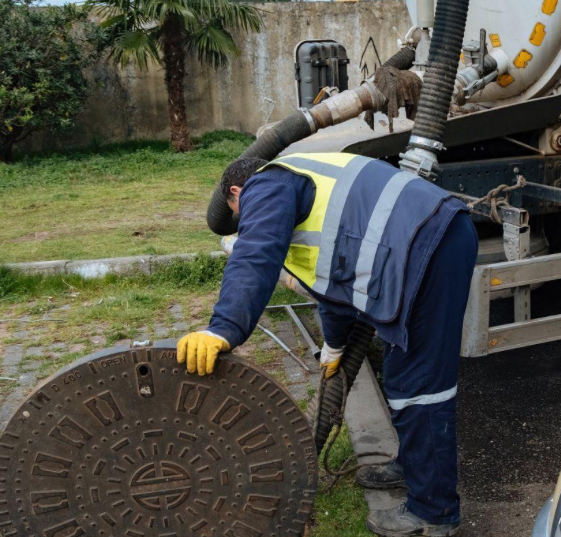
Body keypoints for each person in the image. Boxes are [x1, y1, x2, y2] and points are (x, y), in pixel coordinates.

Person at [176, 152, 477, 537]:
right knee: (405, 377)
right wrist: (333, 348)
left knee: (418, 387)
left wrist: (222, 328)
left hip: (430, 245)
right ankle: (417, 467)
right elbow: (335, 289)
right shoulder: (302, 185)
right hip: (426, 243)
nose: (246, 220)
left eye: (240, 214)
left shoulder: (268, 183)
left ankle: (434, 513)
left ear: (238, 191)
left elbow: (255, 255)